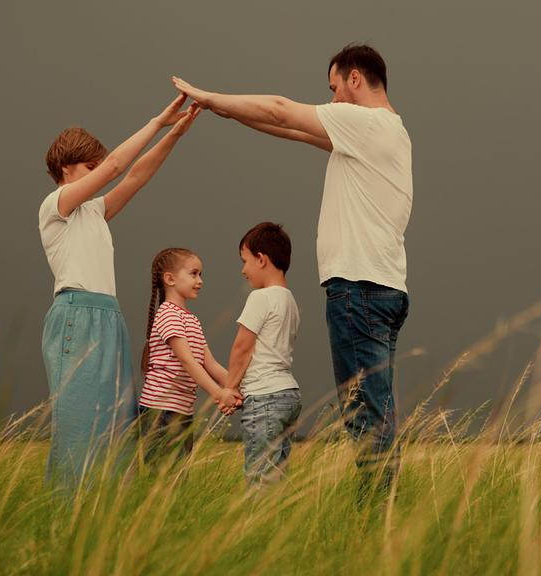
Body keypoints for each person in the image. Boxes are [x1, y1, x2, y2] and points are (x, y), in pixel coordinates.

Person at [172, 43, 412, 491]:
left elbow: (282, 110)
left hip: (359, 290)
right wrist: (223, 111)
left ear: (354, 78)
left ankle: (377, 523)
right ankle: (381, 516)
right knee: (373, 410)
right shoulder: (387, 132)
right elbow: (288, 129)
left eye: (334, 87)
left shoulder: (365, 121)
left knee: (365, 417)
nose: (333, 99)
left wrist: (208, 95)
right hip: (380, 290)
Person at [39, 95, 201, 488]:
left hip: (109, 317)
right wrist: (158, 121)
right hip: (77, 315)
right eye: (88, 168)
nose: (98, 173)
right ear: (65, 168)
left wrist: (174, 134)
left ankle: (106, 514)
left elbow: (137, 175)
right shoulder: (55, 205)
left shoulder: (93, 212)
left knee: (116, 425)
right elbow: (116, 166)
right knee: (79, 426)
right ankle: (67, 512)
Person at [139, 247, 242, 463]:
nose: (200, 280)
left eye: (200, 274)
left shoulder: (191, 320)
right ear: (170, 279)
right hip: (161, 412)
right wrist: (218, 393)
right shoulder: (168, 314)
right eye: (194, 273)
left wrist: (235, 388)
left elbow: (210, 363)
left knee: (177, 477)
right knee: (161, 479)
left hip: (181, 412)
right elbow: (187, 361)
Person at [227, 223, 301, 485]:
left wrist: (229, 388)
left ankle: (256, 525)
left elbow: (242, 347)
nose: (243, 270)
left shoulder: (260, 298)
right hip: (288, 395)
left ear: (261, 259)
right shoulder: (290, 301)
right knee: (276, 474)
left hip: (264, 397)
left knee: (259, 477)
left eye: (245, 261)